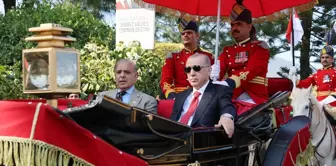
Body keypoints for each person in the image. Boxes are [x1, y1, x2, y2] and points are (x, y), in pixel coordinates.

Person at [210, 2, 270, 113]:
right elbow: (220, 70)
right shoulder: (227, 50)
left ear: (249, 26)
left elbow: (251, 70)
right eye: (232, 25)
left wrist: (230, 82)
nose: (234, 28)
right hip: (231, 96)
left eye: (239, 24)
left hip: (253, 97)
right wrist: (212, 75)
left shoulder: (260, 48)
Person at [170, 53, 236, 138]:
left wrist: (226, 117)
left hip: (198, 142)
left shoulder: (220, 91)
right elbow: (172, 122)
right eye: (188, 69)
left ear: (209, 70)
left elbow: (226, 106)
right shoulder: (180, 96)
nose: (192, 73)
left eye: (197, 68)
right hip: (174, 139)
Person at [160, 17, 215, 100]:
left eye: (189, 32)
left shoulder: (209, 57)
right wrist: (171, 94)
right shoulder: (173, 57)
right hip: (178, 96)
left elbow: (213, 80)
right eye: (183, 33)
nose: (185, 35)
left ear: (197, 35)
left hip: (203, 96)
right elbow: (166, 80)